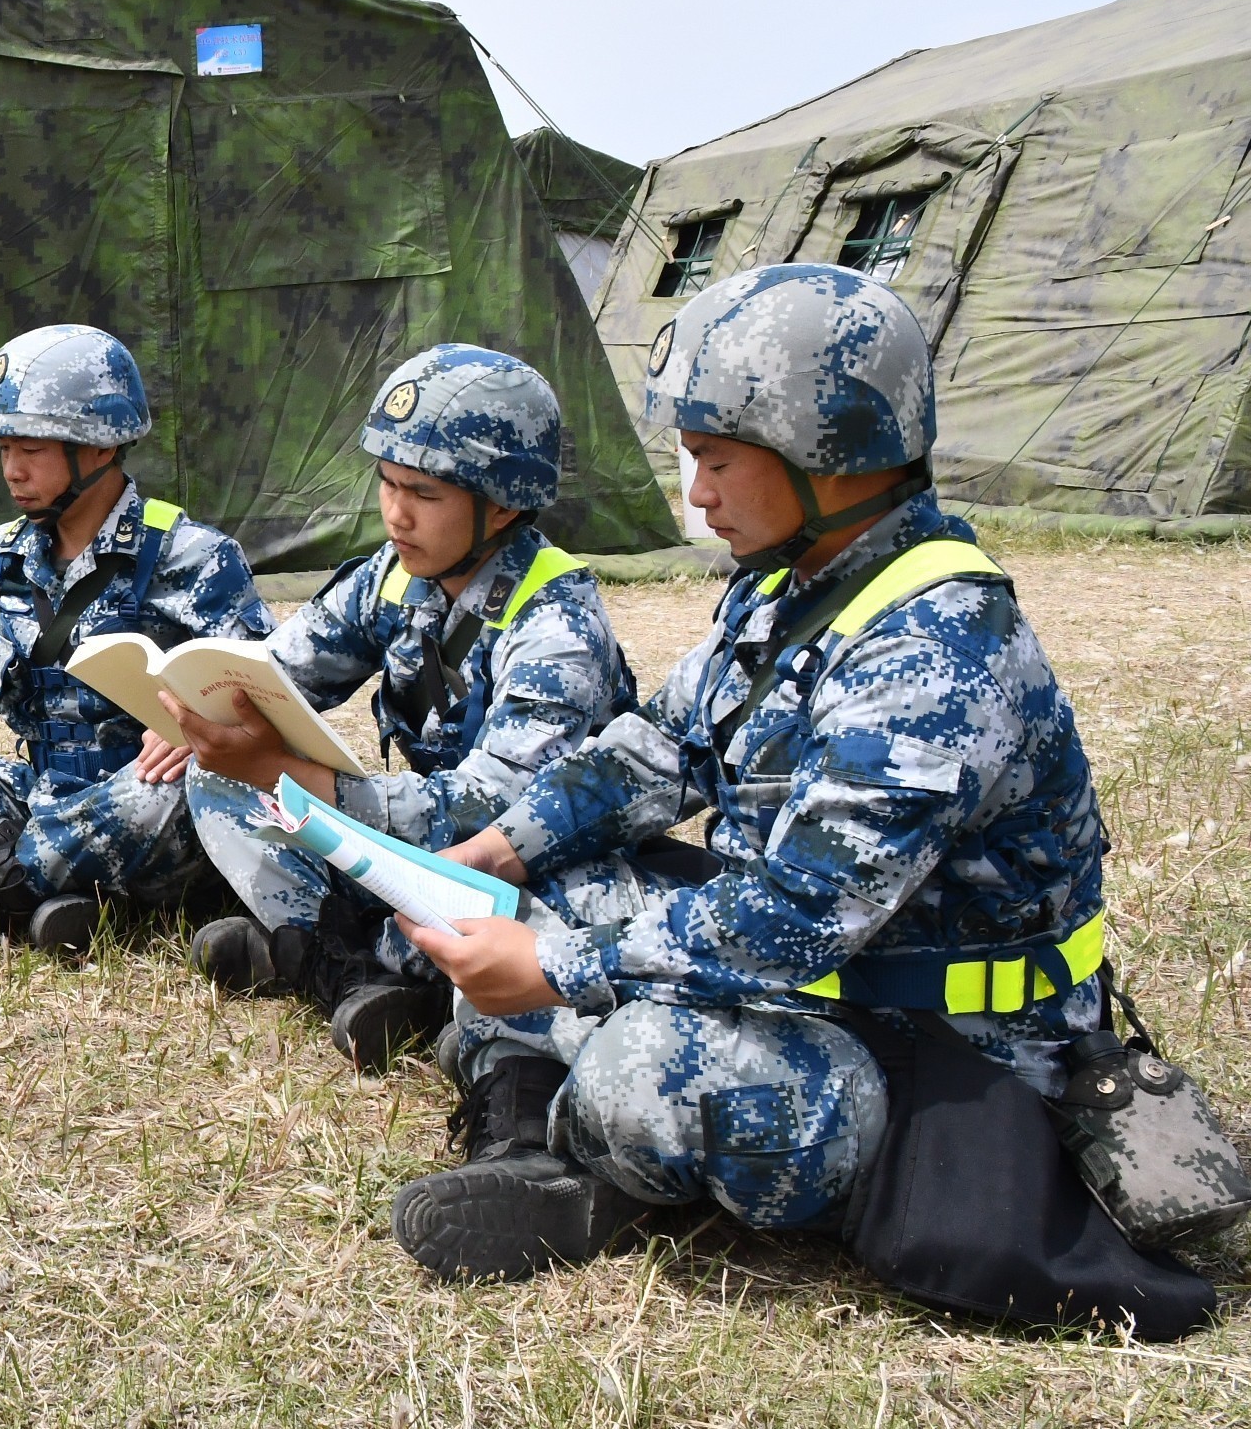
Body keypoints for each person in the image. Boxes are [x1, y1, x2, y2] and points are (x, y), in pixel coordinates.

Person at [385, 265, 1109, 1283]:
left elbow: (800, 913)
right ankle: (529, 1146)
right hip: (837, 984)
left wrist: (557, 969)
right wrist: (504, 845)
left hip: (949, 1047)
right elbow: (664, 745)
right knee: (532, 890)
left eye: (718, 460)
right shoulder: (795, 588)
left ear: (830, 453)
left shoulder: (937, 650)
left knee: (644, 1071)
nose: (698, 492)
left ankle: (591, 1142)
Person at [176, 346, 634, 1071]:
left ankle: (359, 965)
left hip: (513, 863)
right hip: (413, 857)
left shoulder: (556, 627)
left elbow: (492, 811)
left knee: (533, 904)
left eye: (423, 494)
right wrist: (195, 710)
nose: (394, 514)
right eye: (387, 484)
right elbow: (281, 674)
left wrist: (301, 782)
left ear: (504, 501)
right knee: (217, 777)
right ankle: (341, 968)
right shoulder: (394, 578)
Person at [0, 324, 273, 955]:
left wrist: (191, 726)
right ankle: (51, 884)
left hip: (140, 802)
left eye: (30, 449)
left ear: (98, 445)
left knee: (170, 790)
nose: (11, 471)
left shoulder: (193, 558)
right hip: (33, 796)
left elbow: (264, 694)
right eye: (4, 449)